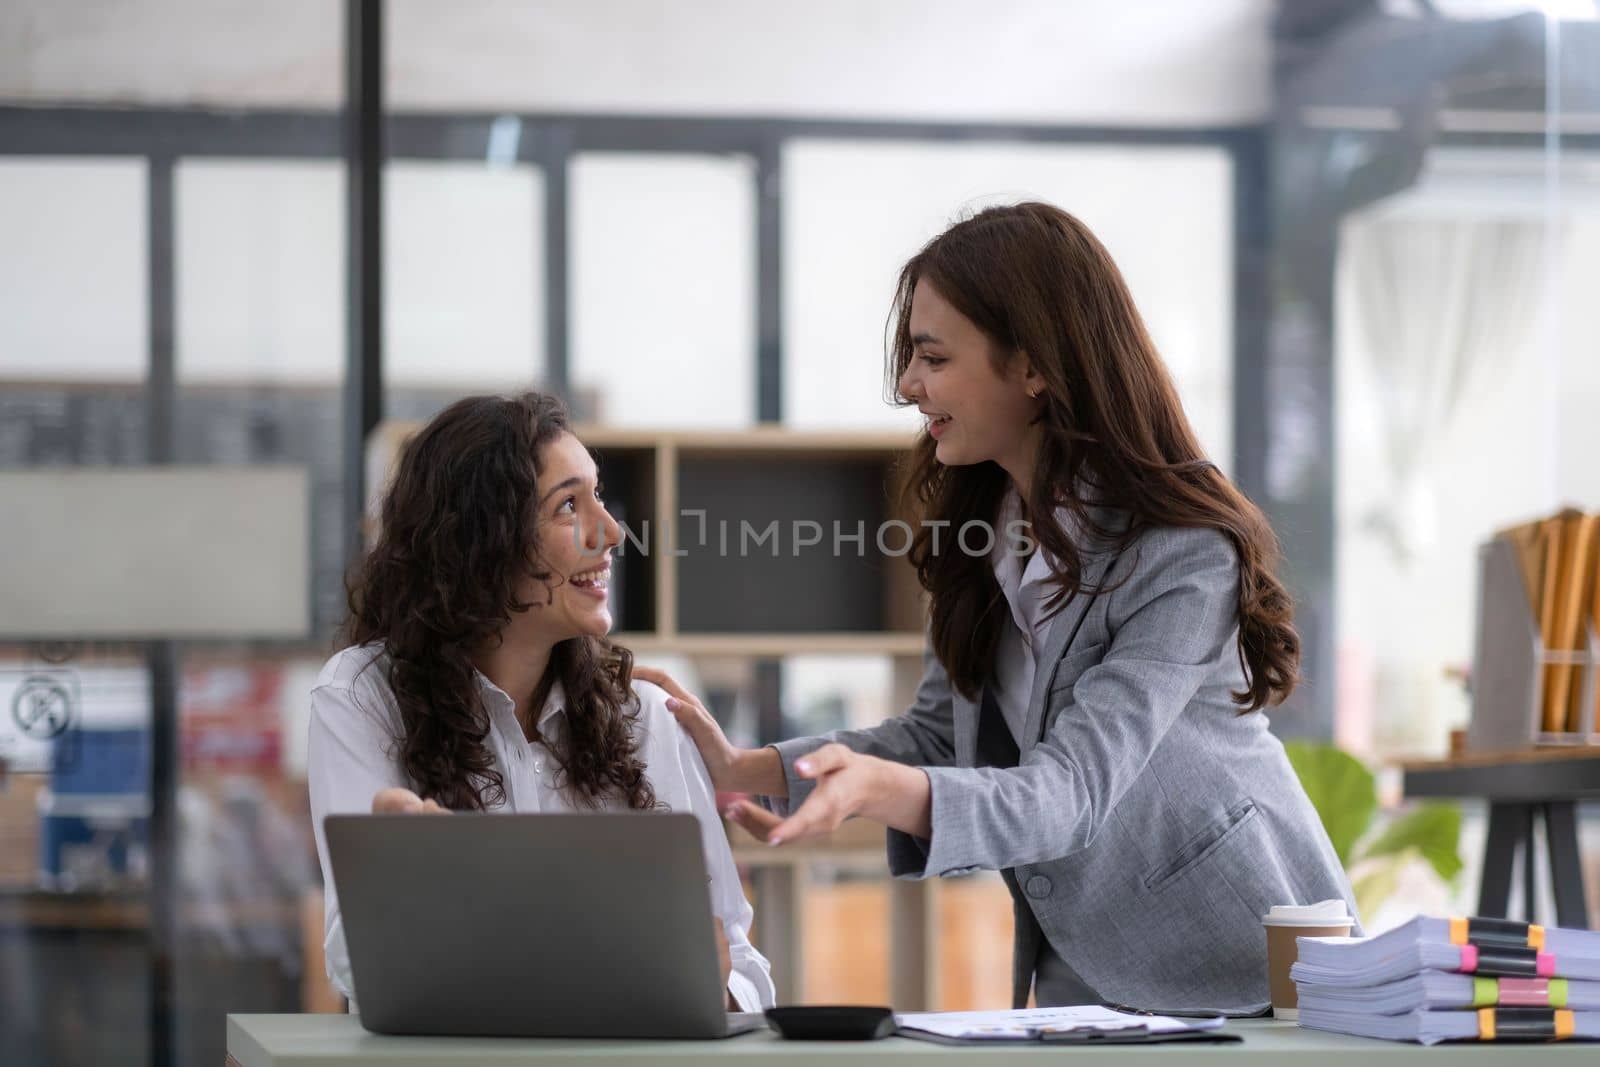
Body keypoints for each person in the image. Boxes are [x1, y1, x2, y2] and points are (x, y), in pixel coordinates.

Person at [639, 201, 1358, 1015]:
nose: (908, 385)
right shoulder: (983, 538)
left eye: (931, 357)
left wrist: (879, 789)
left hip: (1245, 969)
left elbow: (1073, 789)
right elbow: (941, 736)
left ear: (1033, 366)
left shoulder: (1181, 554)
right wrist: (753, 768)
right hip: (1085, 971)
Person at [307, 392, 774, 1013]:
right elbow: (358, 962)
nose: (610, 532)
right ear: (482, 539)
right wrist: (623, 961)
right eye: (568, 506)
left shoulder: (645, 716)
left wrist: (712, 989)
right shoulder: (361, 696)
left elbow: (741, 967)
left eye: (599, 497)